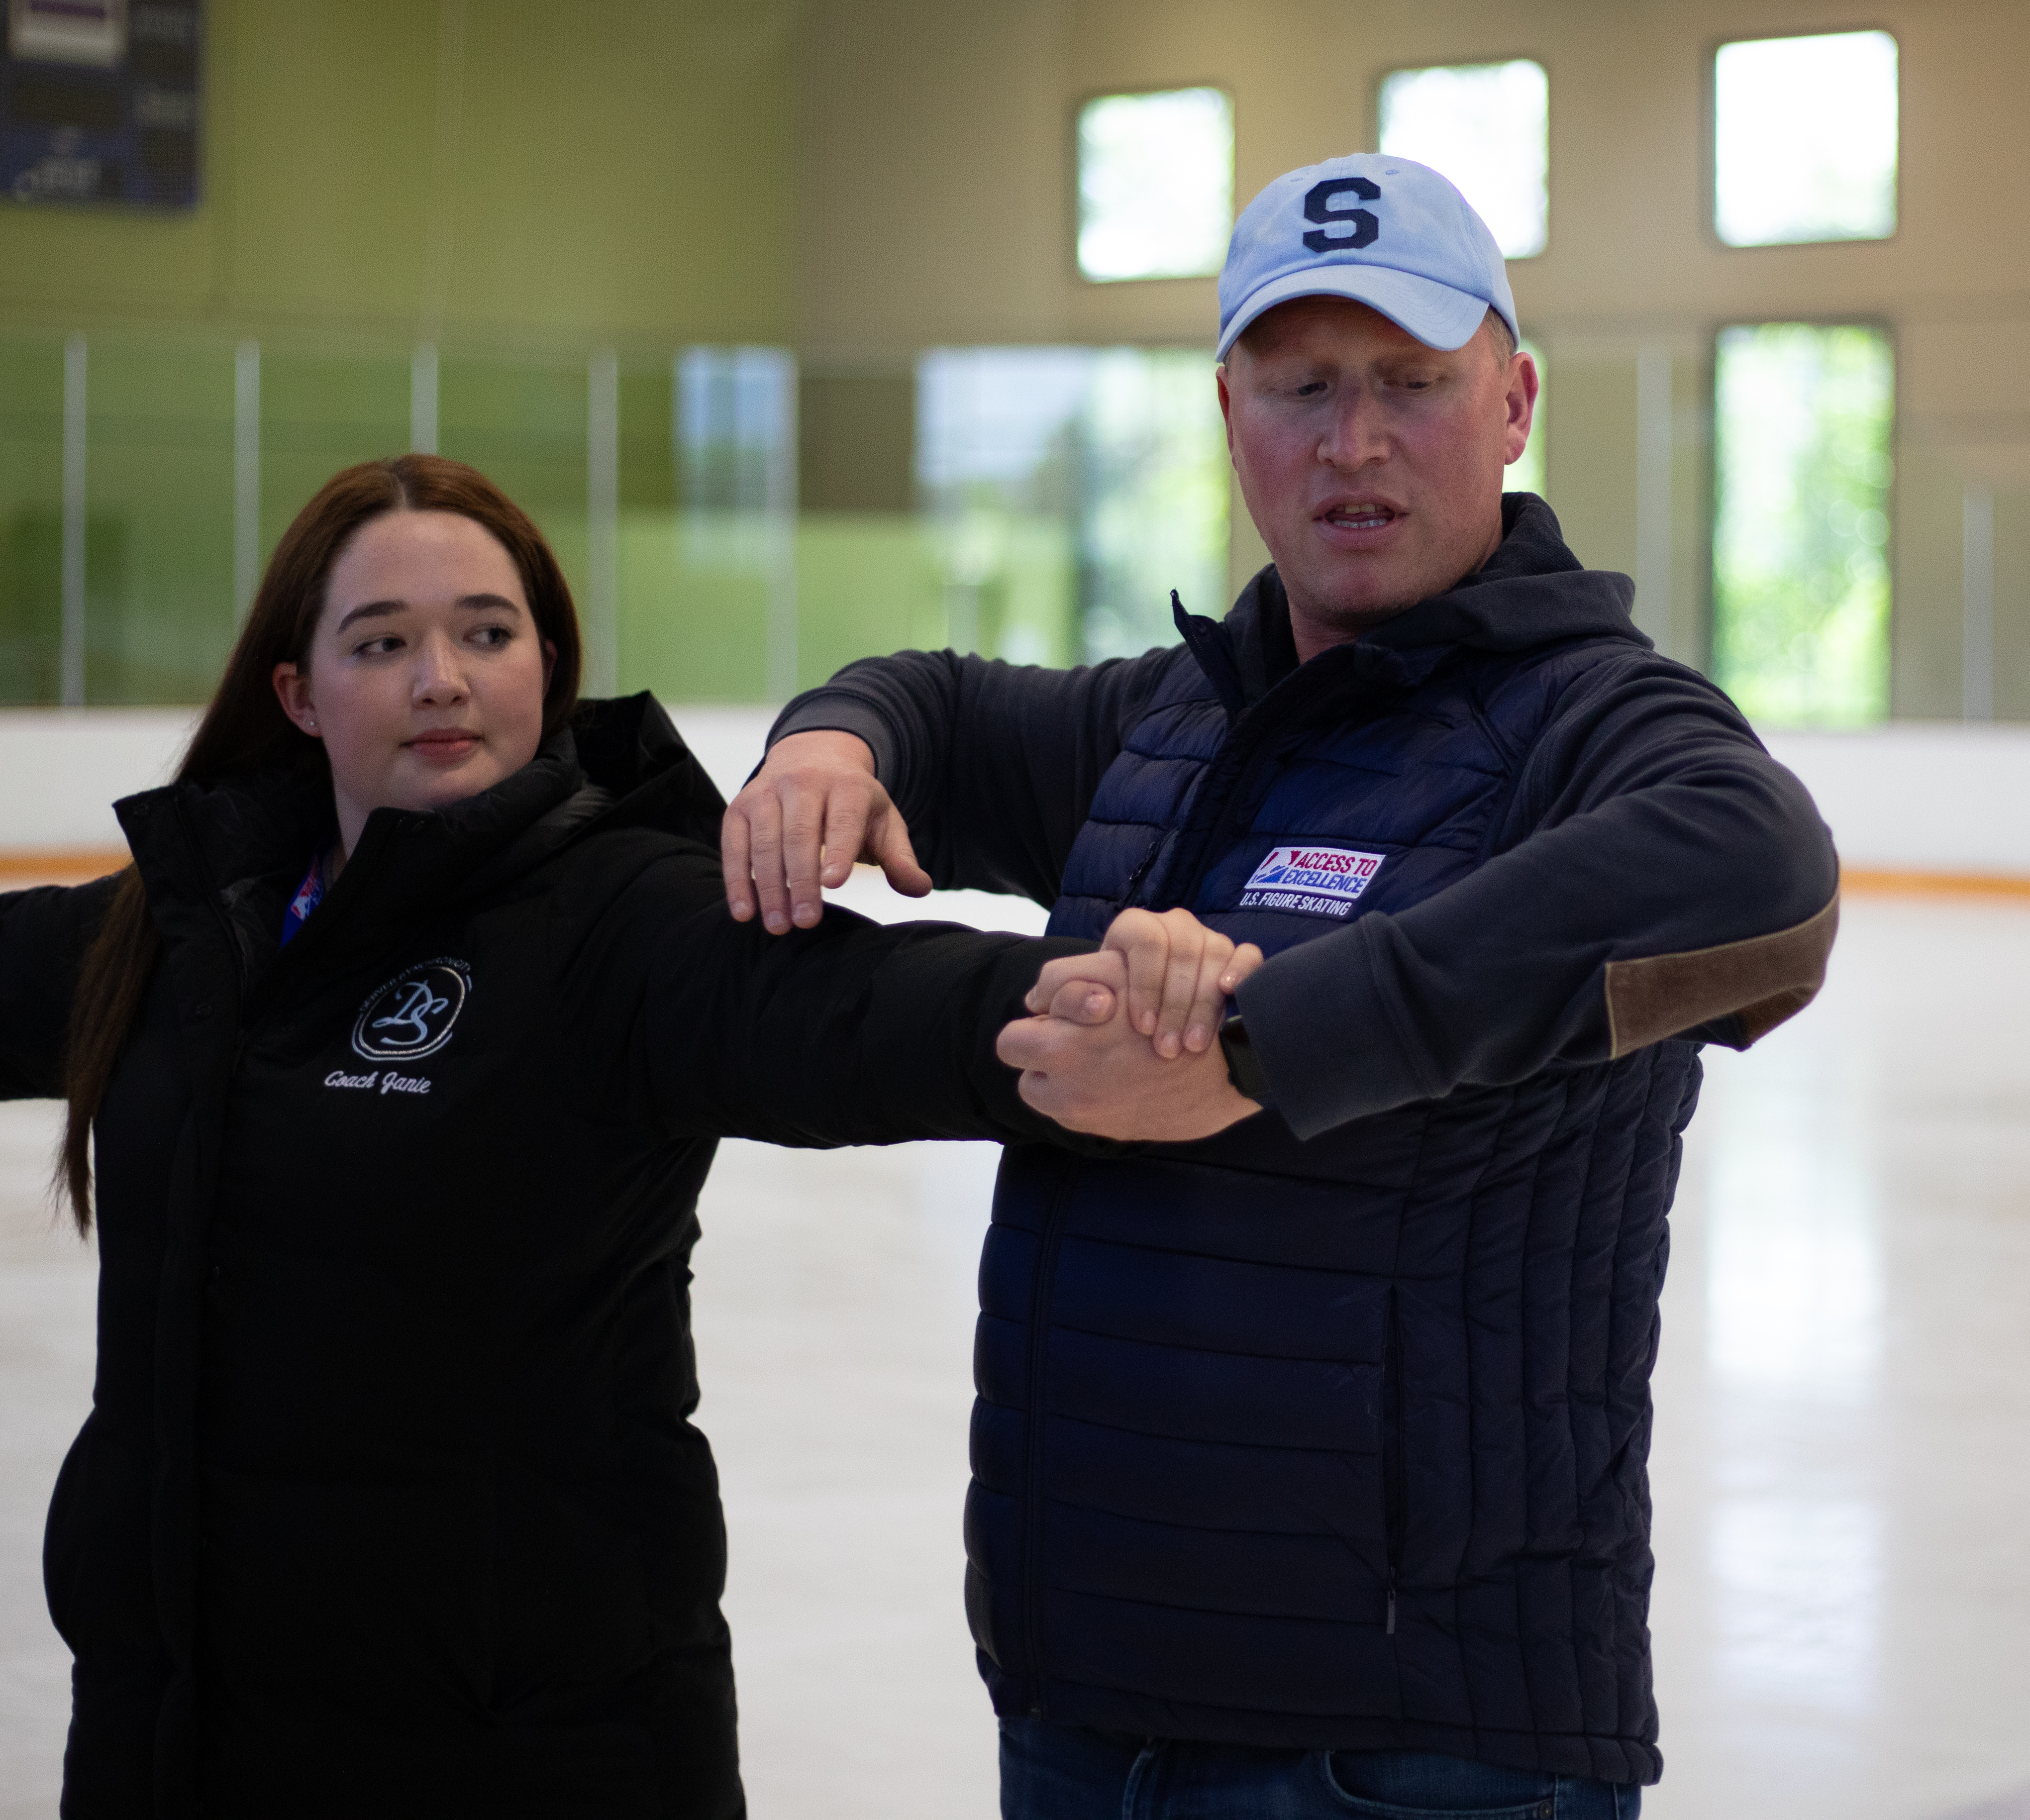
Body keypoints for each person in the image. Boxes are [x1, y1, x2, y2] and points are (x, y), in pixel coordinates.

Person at [0, 457, 1214, 1819]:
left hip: (527, 1756)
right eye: (382, 640)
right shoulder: (182, 934)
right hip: (177, 1741)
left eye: (485, 632)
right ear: (298, 691)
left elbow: (869, 1015)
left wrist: (1094, 1020)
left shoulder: (622, 927)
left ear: (543, 667)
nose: (440, 675)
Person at [726, 153, 1841, 1817]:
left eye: (1410, 382)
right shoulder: (1166, 723)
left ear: (1513, 399)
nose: (1354, 442)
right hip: (1086, 1703)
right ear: (1229, 413)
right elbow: (939, 705)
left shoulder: (1584, 726)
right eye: (1300, 387)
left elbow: (1761, 868)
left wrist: (1254, 1046)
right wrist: (832, 734)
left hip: (1409, 1741)